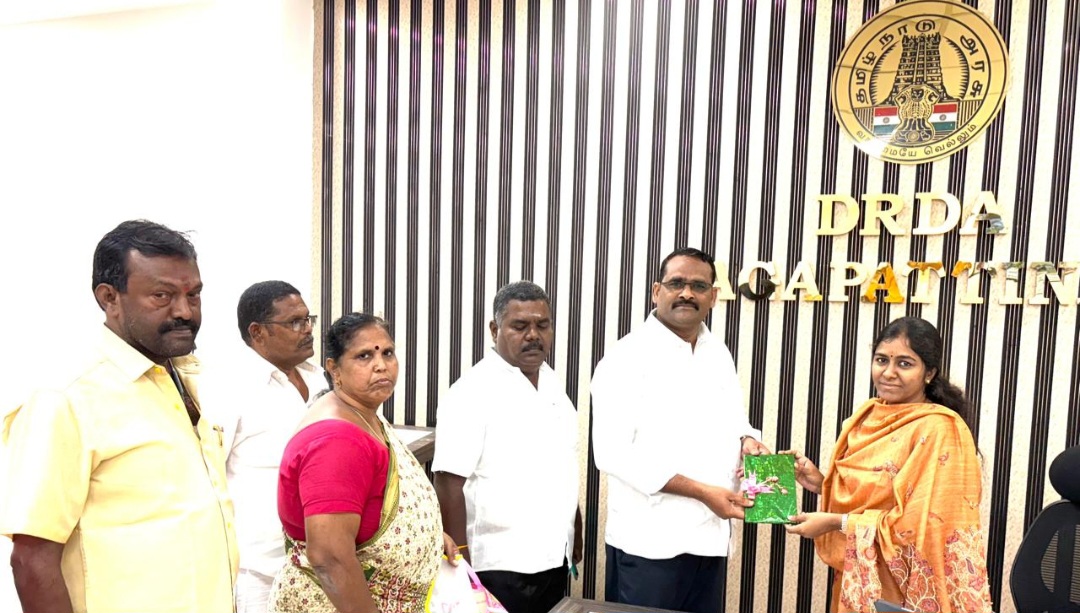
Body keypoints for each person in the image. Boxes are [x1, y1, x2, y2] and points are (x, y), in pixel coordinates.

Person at [0, 219, 238, 613]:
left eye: (193, 295)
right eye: (162, 296)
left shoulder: (182, 377)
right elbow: (31, 560)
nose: (185, 311)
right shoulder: (66, 398)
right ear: (109, 298)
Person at [590, 247, 767, 613]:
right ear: (657, 291)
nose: (687, 293)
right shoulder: (625, 357)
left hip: (710, 538)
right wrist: (702, 492)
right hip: (650, 544)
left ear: (713, 296)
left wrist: (748, 439)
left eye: (698, 285)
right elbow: (612, 453)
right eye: (676, 283)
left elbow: (734, 419)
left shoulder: (718, 352)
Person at [785, 317, 993, 613]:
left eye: (904, 364)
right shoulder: (866, 417)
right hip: (855, 581)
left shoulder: (938, 428)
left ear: (929, 373)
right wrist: (821, 482)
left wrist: (835, 522)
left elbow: (919, 526)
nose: (888, 372)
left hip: (906, 590)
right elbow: (872, 494)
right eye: (881, 360)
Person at [269, 312, 457, 613]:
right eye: (364, 356)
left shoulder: (364, 414)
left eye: (388, 353)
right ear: (334, 368)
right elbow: (330, 558)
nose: (381, 365)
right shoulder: (336, 441)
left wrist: (431, 539)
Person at [433, 281, 582, 613]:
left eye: (542, 325)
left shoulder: (552, 383)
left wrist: (575, 527)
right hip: (499, 565)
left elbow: (563, 461)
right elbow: (447, 481)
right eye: (520, 326)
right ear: (494, 329)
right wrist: (460, 562)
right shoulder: (471, 392)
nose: (533, 335)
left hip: (552, 557)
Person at [200, 281, 327, 613]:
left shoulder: (319, 378)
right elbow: (207, 476)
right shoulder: (229, 388)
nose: (308, 329)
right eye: (295, 322)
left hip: (317, 562)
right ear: (257, 332)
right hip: (258, 569)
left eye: (308, 319)